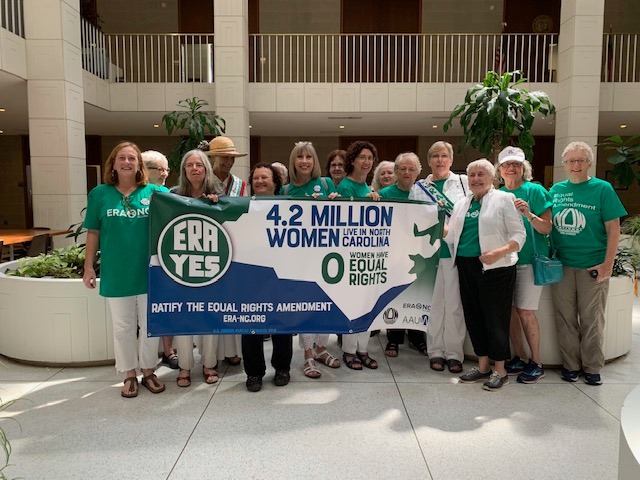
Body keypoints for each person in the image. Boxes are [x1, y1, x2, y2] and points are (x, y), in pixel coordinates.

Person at [82, 141, 167, 398]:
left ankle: (149, 371)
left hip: (149, 270)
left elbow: (182, 211)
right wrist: (88, 268)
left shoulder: (153, 192)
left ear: (140, 165)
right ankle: (130, 374)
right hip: (117, 271)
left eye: (132, 158)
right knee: (123, 327)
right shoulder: (100, 194)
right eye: (123, 158)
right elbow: (93, 232)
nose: (128, 162)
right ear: (114, 163)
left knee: (150, 324)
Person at [549, 141, 627, 386]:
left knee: (592, 319)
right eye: (571, 160)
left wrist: (607, 265)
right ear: (564, 164)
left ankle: (592, 367)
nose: (575, 165)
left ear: (589, 163)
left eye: (580, 160)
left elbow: (614, 229)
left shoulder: (602, 189)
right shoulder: (556, 191)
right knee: (565, 319)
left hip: (591, 266)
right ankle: (571, 366)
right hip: (562, 265)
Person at [446, 159, 525, 391]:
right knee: (473, 316)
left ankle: (500, 370)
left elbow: (519, 235)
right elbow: (451, 234)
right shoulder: (462, 203)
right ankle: (482, 367)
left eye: (481, 174)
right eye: (472, 175)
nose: (476, 179)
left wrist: (499, 252)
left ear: (492, 178)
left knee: (495, 319)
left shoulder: (504, 199)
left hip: (496, 267)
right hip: (465, 264)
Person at [281, 141, 341, 379]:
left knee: (325, 303)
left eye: (309, 157)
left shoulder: (326, 184)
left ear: (314, 161)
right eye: (299, 157)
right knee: (305, 306)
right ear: (293, 161)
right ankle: (307, 355)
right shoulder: (285, 191)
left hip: (325, 258)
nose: (304, 161)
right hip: (298, 260)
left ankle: (321, 348)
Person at [409, 141, 468, 373]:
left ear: (451, 160)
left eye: (444, 156)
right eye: (435, 156)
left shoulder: (463, 183)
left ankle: (454, 353)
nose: (440, 160)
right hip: (428, 253)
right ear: (429, 160)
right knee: (433, 305)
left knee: (454, 305)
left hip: (455, 252)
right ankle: (435, 351)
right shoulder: (419, 187)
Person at [496, 146, 552, 384]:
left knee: (525, 312)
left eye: (516, 164)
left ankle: (536, 362)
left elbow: (547, 228)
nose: (511, 168)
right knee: (508, 312)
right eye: (507, 165)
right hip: (504, 262)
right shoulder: (496, 193)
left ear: (523, 168)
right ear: (500, 170)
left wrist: (528, 214)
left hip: (528, 261)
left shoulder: (535, 191)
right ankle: (519, 357)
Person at [171, 150, 221, 387]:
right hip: (181, 265)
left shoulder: (218, 195)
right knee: (183, 318)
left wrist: (218, 206)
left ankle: (209, 364)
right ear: (184, 170)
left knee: (209, 314)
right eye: (189, 165)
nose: (194, 169)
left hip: (211, 264)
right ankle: (184, 366)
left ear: (206, 169)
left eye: (199, 165)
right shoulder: (172, 196)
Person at [242, 163, 294, 392]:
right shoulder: (243, 207)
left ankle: (282, 368)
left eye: (265, 178)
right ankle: (254, 373)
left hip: (282, 272)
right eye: (256, 178)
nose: (260, 181)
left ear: (275, 182)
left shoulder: (289, 206)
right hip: (250, 274)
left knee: (282, 323)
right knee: (250, 324)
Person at [201, 136, 247, 366]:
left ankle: (232, 350)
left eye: (231, 158)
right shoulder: (204, 181)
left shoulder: (239, 184)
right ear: (213, 158)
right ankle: (214, 354)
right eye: (224, 158)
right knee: (213, 300)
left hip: (234, 243)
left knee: (232, 299)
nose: (228, 162)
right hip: (209, 243)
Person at [338, 140, 381, 370]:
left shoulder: (368, 188)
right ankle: (349, 350)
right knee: (353, 305)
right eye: (362, 157)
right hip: (351, 255)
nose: (366, 162)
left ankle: (363, 349)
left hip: (369, 255)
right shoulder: (347, 186)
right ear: (352, 160)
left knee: (368, 304)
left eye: (370, 158)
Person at [379, 152, 426, 357]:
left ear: (419, 171)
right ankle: (394, 339)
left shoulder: (426, 192)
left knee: (418, 295)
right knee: (395, 295)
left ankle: (417, 338)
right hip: (394, 254)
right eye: (402, 169)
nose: (407, 172)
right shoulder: (385, 194)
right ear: (396, 171)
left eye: (411, 169)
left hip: (421, 254)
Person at [141, 149, 178, 370]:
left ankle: (169, 350)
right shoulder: (137, 194)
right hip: (141, 260)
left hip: (165, 259)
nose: (164, 173)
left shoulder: (168, 194)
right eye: (159, 169)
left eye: (166, 169)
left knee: (166, 306)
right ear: (145, 170)